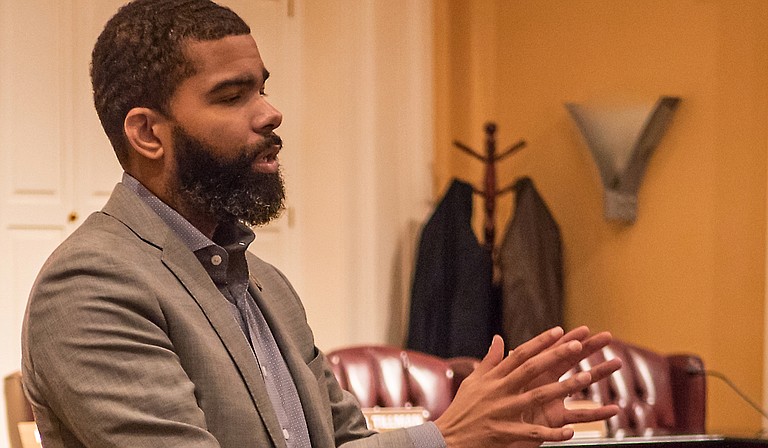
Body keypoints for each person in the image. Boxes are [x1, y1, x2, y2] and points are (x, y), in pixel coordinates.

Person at [21, 1, 622, 447]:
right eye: (232, 96)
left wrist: (493, 431)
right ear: (148, 133)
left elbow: (344, 444)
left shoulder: (267, 285)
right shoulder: (90, 285)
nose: (271, 112)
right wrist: (443, 437)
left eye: (263, 89)